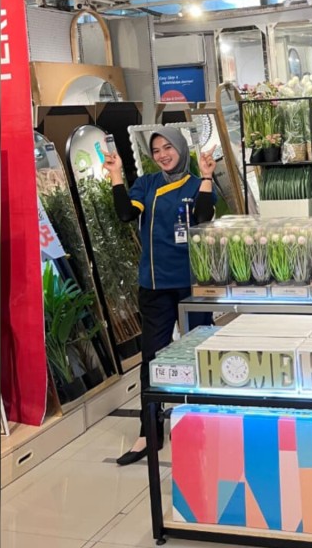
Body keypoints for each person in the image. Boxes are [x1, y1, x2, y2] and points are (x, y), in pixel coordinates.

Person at [103, 127, 216, 465]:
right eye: (156, 150)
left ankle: (203, 424)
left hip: (193, 285)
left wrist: (207, 177)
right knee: (152, 359)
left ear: (180, 148)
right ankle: (148, 433)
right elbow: (126, 214)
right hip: (155, 285)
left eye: (168, 147)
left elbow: (203, 217)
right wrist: (116, 175)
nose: (163, 154)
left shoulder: (197, 183)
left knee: (199, 355)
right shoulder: (147, 184)